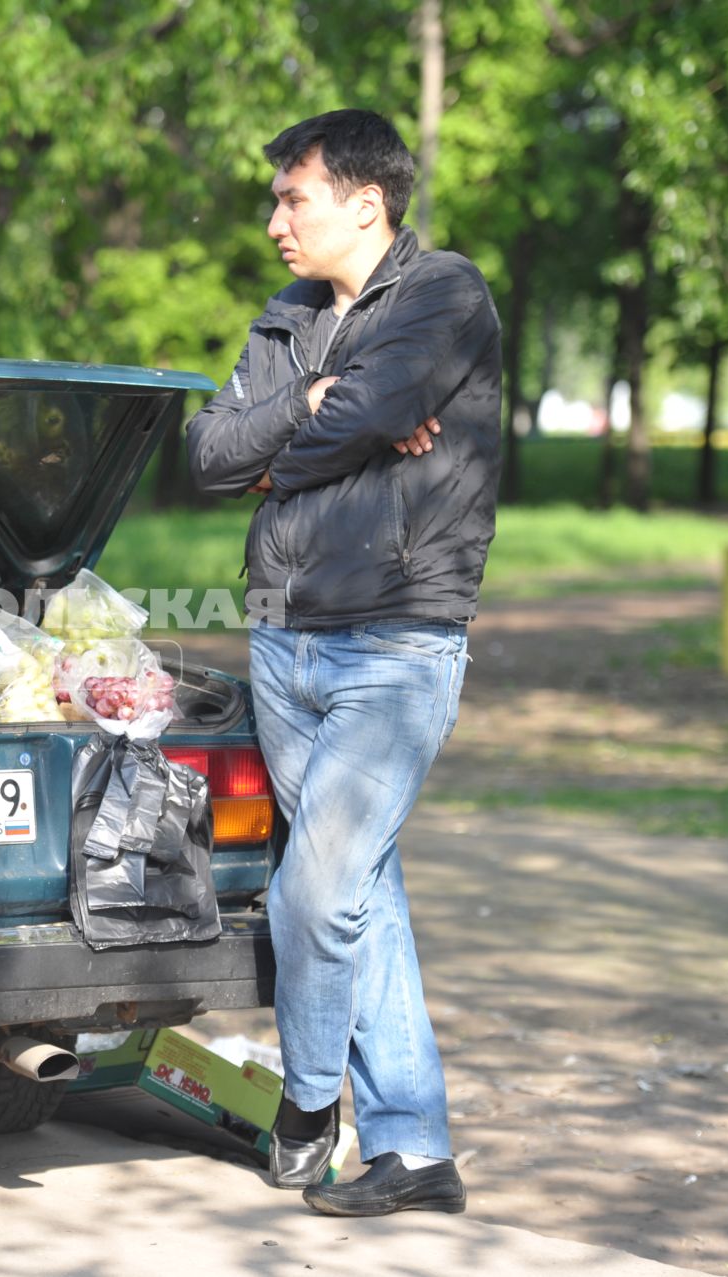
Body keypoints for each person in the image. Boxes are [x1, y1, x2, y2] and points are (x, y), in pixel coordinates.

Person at [185, 109, 501, 1216]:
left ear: (365, 203)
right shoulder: (285, 318)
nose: (275, 220)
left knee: (314, 887)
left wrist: (308, 439)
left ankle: (310, 1100)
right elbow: (207, 454)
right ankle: (414, 1147)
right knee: (362, 890)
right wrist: (316, 405)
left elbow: (368, 408)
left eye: (293, 198)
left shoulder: (444, 294)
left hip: (397, 638)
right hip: (283, 637)